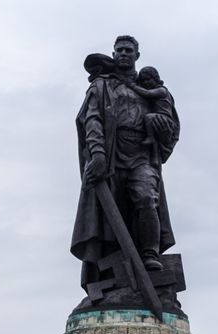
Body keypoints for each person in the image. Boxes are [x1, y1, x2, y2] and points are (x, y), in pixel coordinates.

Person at [71, 35, 180, 286]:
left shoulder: (151, 88)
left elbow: (171, 125)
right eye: (119, 50)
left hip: (141, 154)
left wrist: (161, 125)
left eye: (128, 50)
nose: (123, 53)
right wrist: (97, 153)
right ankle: (112, 273)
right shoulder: (101, 86)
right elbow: (92, 119)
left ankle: (150, 254)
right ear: (113, 53)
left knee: (145, 198)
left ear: (136, 56)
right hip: (110, 155)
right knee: (111, 216)